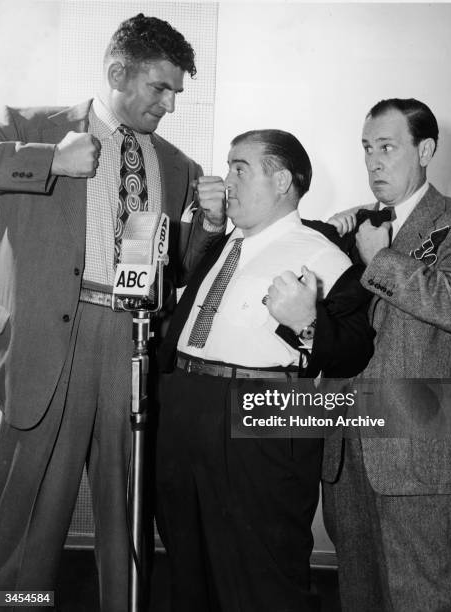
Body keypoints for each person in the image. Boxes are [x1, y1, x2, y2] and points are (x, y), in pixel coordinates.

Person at [0, 13, 225, 611]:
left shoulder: (176, 165)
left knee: (126, 510)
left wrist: (209, 227)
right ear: (118, 71)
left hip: (133, 344)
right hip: (51, 346)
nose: (170, 104)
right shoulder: (32, 125)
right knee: (29, 516)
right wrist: (47, 159)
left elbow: (177, 269)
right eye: (161, 88)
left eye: (177, 91)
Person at [155, 128, 374, 612]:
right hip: (185, 405)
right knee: (187, 566)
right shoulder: (222, 244)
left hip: (264, 411)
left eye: (240, 167)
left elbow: (357, 347)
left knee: (263, 578)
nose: (226, 179)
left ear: (281, 181)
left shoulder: (322, 254)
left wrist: (308, 323)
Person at [277, 98, 451, 611]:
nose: (373, 161)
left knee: (425, 594)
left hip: (415, 443)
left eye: (388, 147)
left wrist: (379, 257)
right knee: (359, 592)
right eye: (367, 148)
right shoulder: (353, 227)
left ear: (426, 149)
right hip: (345, 443)